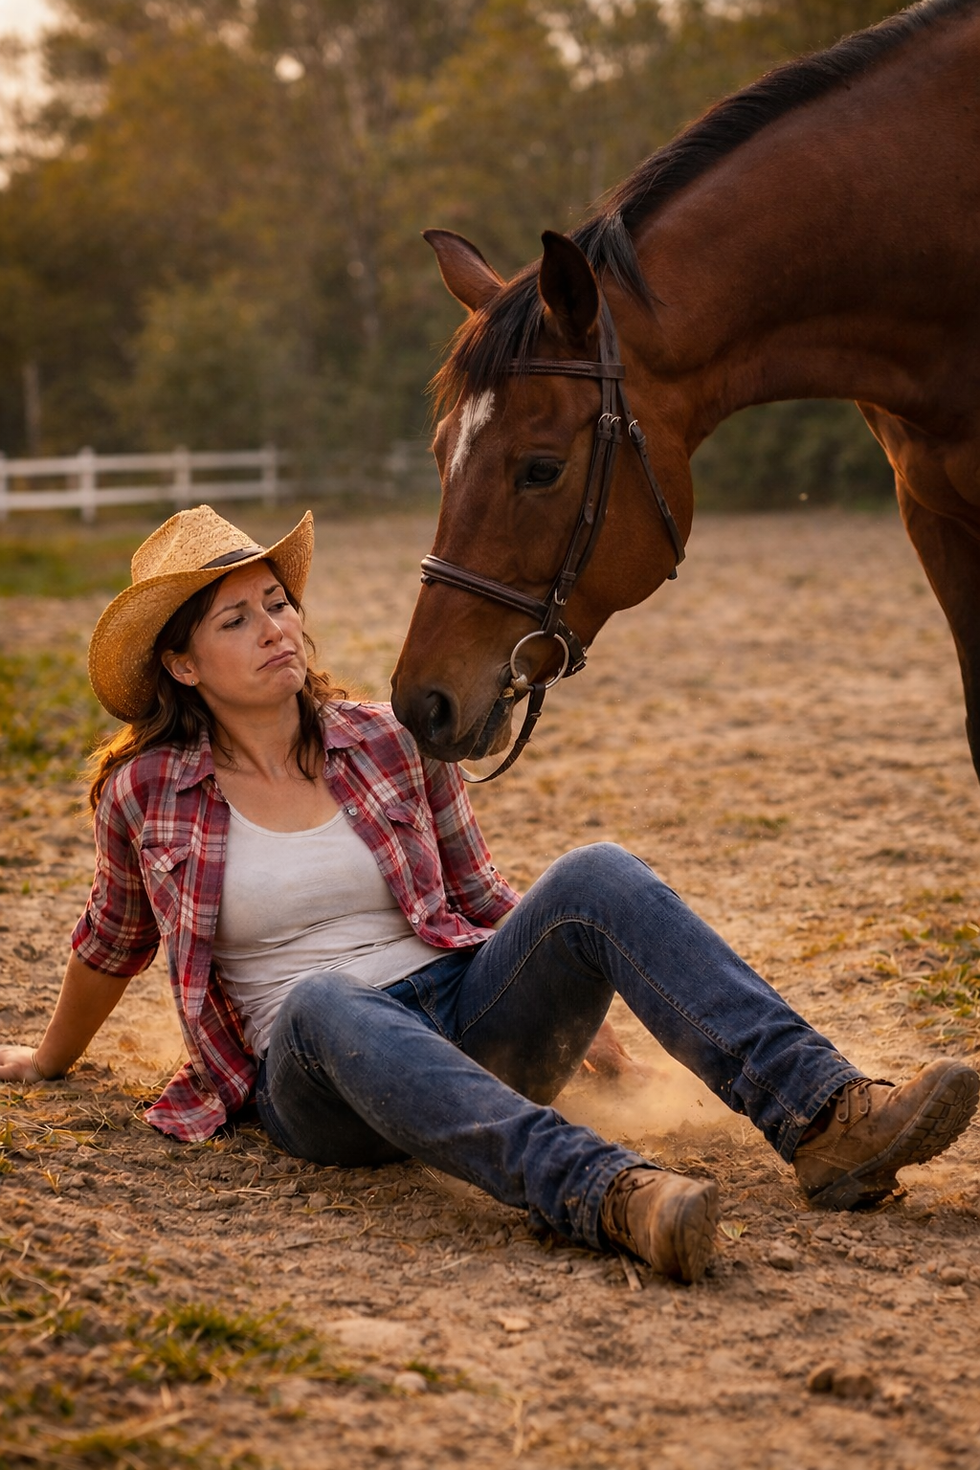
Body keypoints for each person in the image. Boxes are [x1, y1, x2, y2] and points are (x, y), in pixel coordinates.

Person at [1, 506, 976, 1287]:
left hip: (463, 1013)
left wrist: (562, 981)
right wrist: (50, 1060)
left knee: (592, 871)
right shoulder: (145, 794)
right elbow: (110, 940)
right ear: (180, 663)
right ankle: (605, 1195)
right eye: (236, 618)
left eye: (278, 603)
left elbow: (476, 889)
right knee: (323, 995)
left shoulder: (386, 739)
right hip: (322, 1074)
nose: (276, 628)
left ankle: (826, 1120)